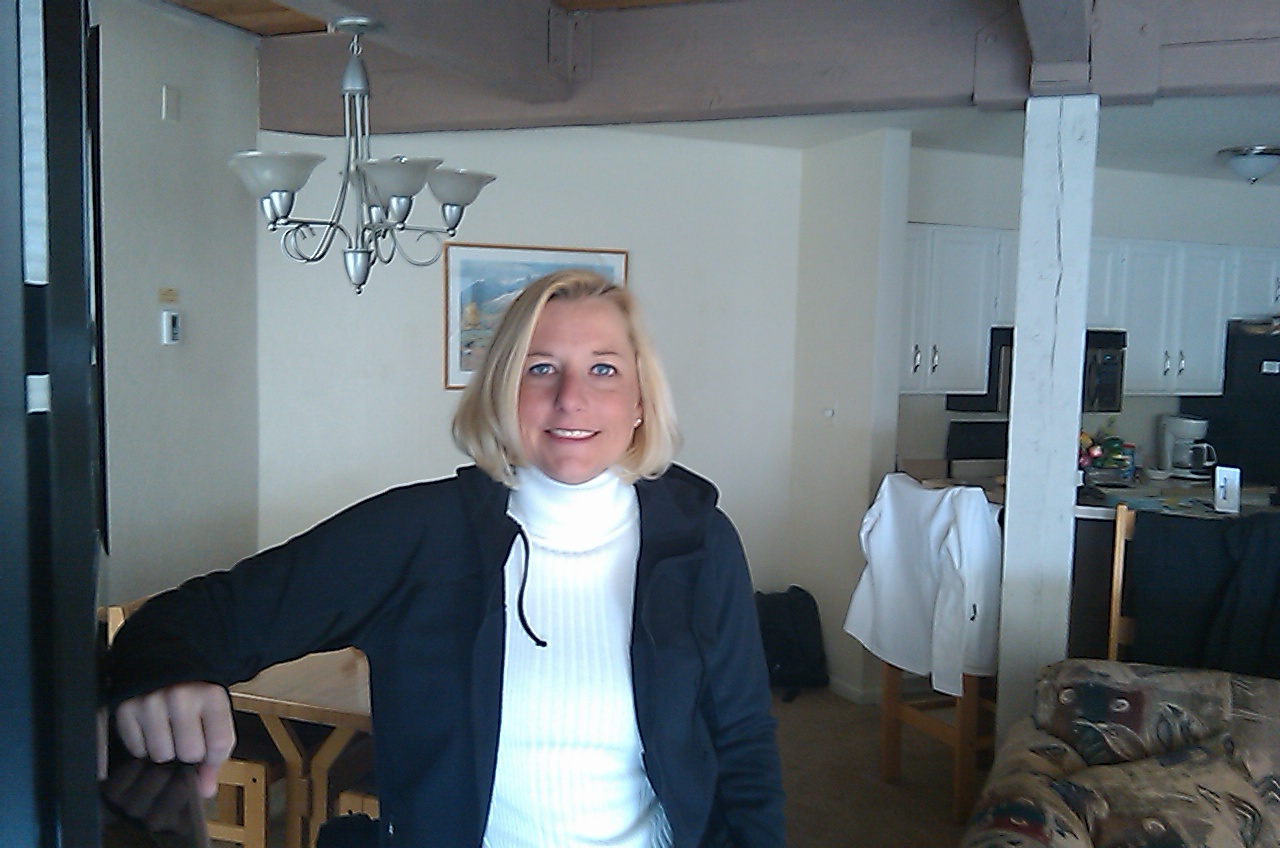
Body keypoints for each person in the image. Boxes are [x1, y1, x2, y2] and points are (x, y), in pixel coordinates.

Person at [107, 269, 785, 847]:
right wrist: (165, 671)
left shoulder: (701, 542)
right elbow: (189, 622)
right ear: (501, 392)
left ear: (639, 403)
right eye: (539, 368)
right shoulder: (419, 534)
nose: (571, 397)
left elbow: (744, 736)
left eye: (603, 369)